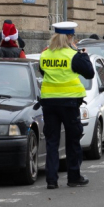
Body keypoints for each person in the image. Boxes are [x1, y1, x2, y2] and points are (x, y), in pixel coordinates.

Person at [39, 21, 95, 189]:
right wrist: (83, 55)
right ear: (70, 37)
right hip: (69, 103)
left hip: (49, 102)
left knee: (52, 141)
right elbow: (90, 73)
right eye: (73, 37)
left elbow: (43, 72)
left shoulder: (45, 55)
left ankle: (51, 180)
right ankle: (73, 177)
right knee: (73, 139)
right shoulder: (73, 56)